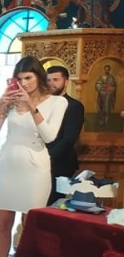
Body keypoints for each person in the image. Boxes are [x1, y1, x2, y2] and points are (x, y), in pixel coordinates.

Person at [0, 56, 67, 257]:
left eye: (28, 78)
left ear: (39, 77)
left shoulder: (57, 102)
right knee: (3, 223)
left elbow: (50, 136)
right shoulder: (11, 101)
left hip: (35, 169)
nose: (24, 83)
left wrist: (31, 106)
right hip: (9, 165)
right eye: (19, 79)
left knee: (30, 228)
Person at [46, 65, 84, 204]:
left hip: (60, 163)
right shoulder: (42, 104)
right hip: (38, 161)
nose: (51, 83)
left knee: (52, 205)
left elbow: (69, 139)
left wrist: (46, 158)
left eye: (56, 80)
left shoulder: (74, 106)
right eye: (48, 80)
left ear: (66, 82)